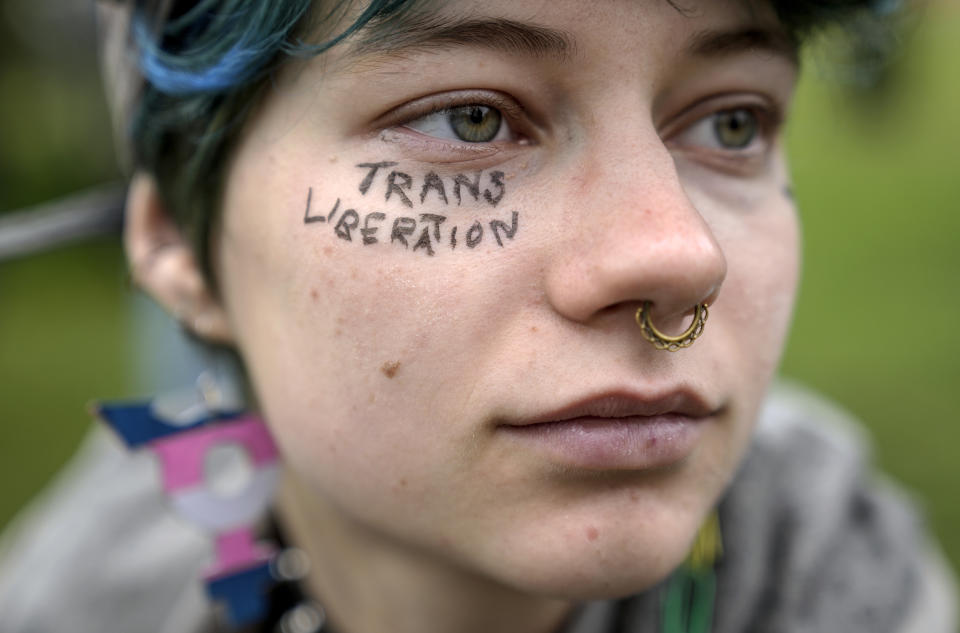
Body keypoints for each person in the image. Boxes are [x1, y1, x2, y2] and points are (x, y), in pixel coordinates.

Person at [0, 1, 955, 632]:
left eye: (731, 122)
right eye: (471, 119)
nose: (679, 255)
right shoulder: (83, 600)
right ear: (176, 240)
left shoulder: (827, 569)